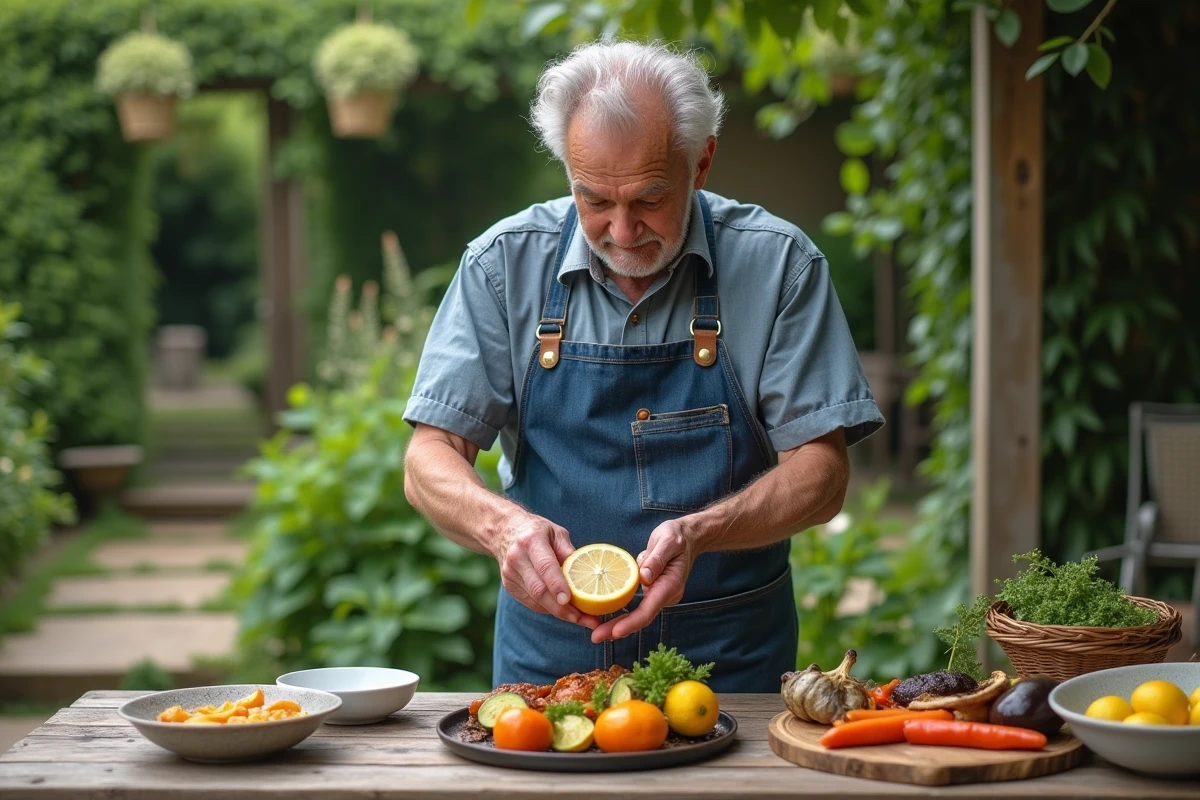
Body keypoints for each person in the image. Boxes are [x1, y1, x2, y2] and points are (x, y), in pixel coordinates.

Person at [403, 40, 883, 692]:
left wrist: (701, 533)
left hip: (732, 669)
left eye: (649, 199)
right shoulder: (502, 266)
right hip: (545, 667)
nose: (622, 231)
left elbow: (823, 476)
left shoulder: (778, 266)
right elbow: (429, 457)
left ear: (701, 162)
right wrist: (503, 528)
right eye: (594, 199)